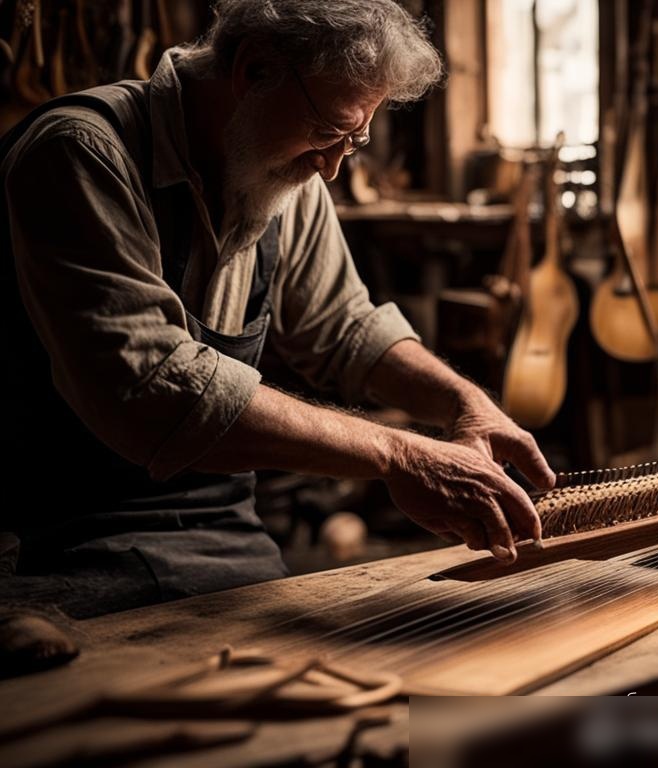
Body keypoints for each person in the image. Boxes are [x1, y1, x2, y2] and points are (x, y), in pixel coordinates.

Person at [0, 0, 554, 619]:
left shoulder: (286, 173)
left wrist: (462, 402)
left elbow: (346, 329)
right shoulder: (80, 154)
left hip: (223, 547)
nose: (334, 166)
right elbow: (156, 393)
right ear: (255, 69)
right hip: (57, 555)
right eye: (327, 132)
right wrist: (400, 454)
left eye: (356, 139)